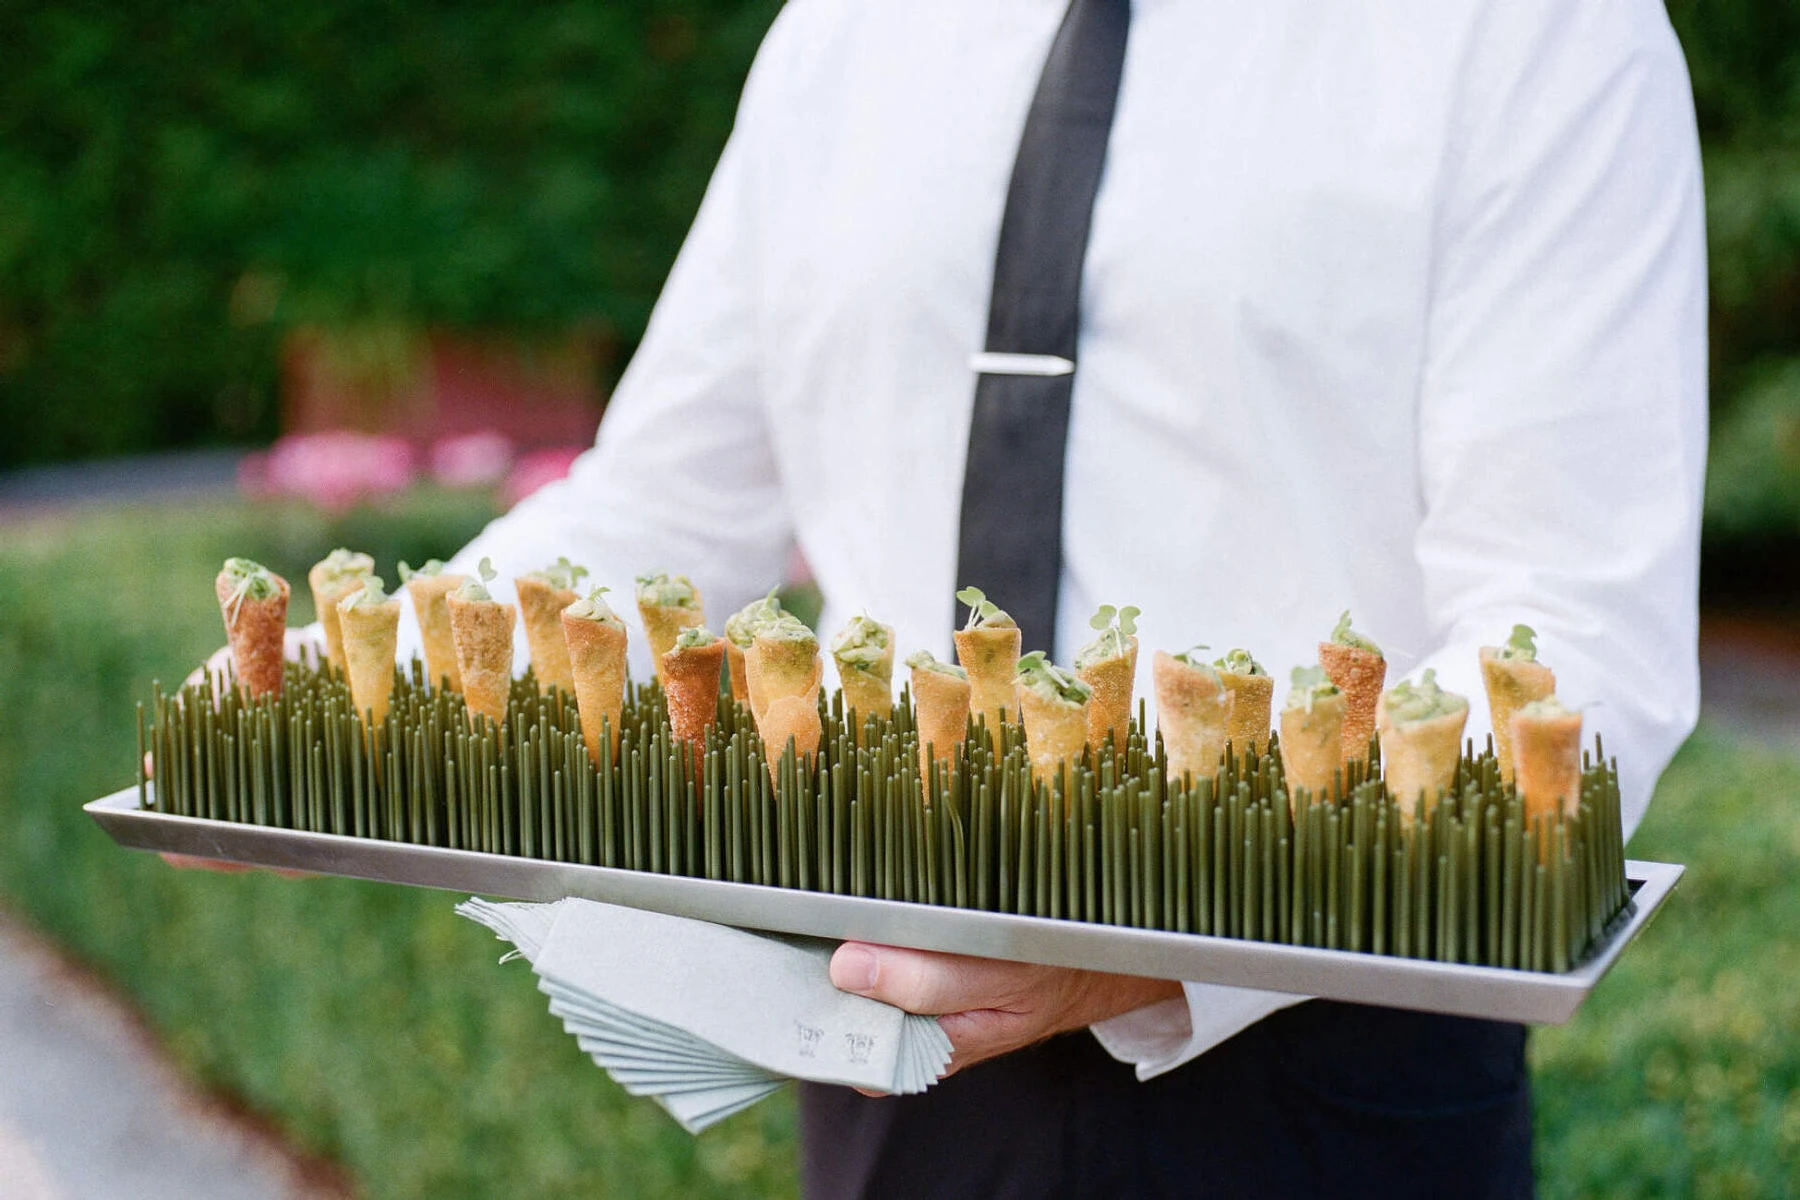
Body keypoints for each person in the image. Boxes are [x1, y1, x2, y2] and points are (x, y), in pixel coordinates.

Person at [182, 0, 1708, 1194]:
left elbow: (1574, 638)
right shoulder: (841, 34)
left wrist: (1156, 930)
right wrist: (338, 693)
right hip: (882, 1056)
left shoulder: (1536, 26)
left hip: (1337, 1084)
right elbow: (665, 511)